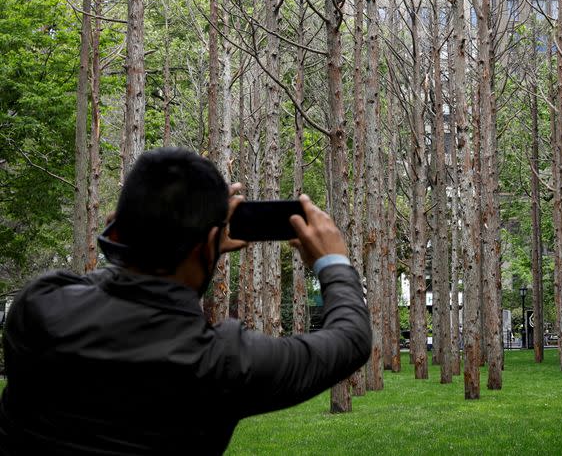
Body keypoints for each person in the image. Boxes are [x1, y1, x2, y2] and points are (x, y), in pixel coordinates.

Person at [0, 148, 371, 455]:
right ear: (206, 243)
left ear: (122, 227)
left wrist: (152, 229)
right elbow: (351, 338)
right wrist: (332, 261)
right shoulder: (219, 363)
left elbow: (112, 282)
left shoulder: (36, 308)